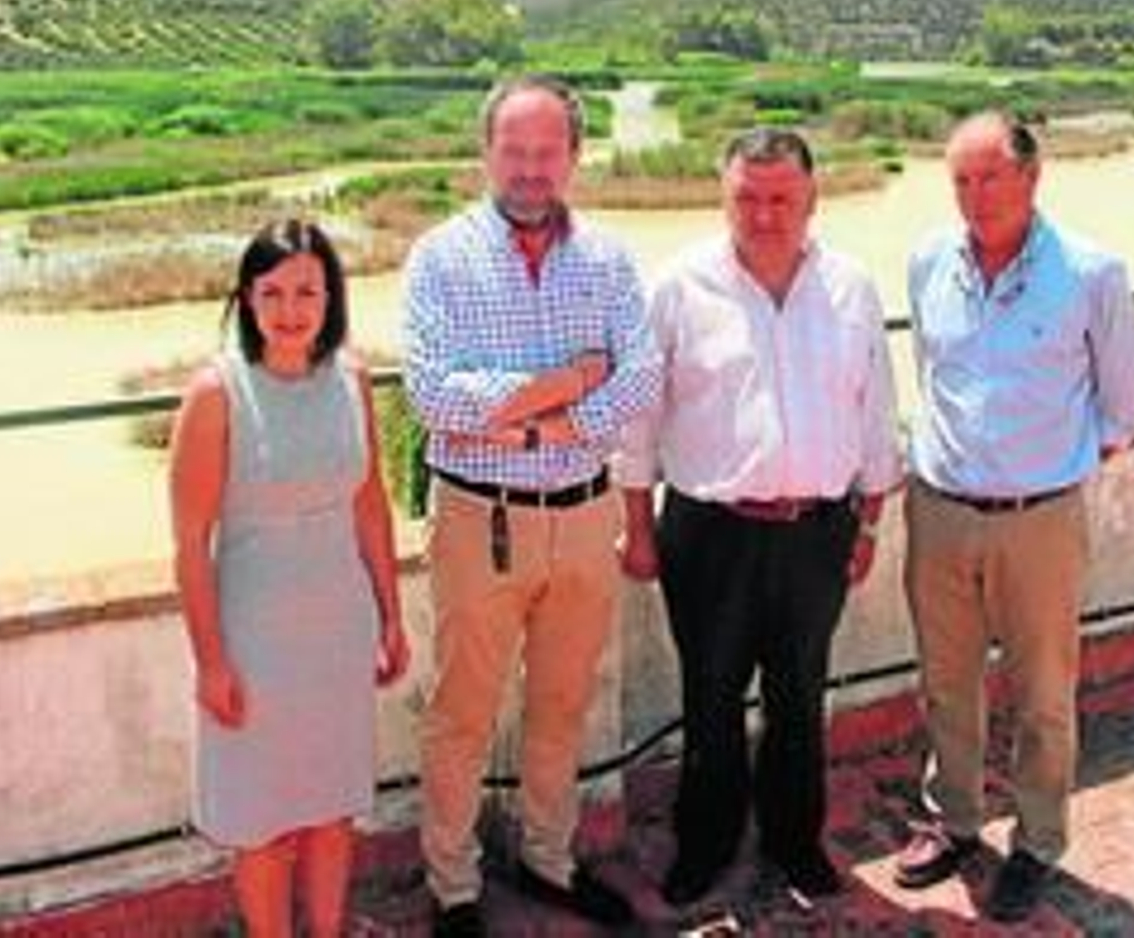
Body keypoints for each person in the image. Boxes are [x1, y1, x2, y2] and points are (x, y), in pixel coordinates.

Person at [401, 75, 661, 937]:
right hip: (482, 518)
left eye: (548, 151)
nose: (530, 168)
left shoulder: (609, 260)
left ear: (575, 157)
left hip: (586, 517)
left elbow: (642, 375)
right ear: (486, 153)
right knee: (462, 712)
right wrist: (571, 383)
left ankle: (549, 860)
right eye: (513, 150)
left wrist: (541, 422)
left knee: (562, 702)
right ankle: (453, 886)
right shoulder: (440, 258)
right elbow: (433, 396)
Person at [619, 127, 902, 910]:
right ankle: (706, 845)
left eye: (782, 198)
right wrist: (637, 526)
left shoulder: (850, 286)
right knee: (710, 696)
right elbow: (639, 420)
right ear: (724, 195)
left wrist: (870, 523)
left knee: (799, 694)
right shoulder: (677, 286)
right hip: (709, 531)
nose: (765, 214)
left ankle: (794, 840)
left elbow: (875, 412)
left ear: (813, 198)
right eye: (748, 197)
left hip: (819, 529)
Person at [893, 111, 1134, 923]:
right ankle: (956, 820)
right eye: (961, 179)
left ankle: (1037, 842)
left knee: (1043, 692)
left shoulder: (1092, 272)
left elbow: (1122, 409)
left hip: (1039, 520)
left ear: (1033, 177)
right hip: (938, 510)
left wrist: (1041, 473)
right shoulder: (928, 261)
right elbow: (931, 374)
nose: (975, 195)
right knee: (946, 682)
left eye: (991, 176)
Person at [171, 218, 410, 938]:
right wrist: (211, 662)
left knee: (332, 810)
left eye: (307, 291)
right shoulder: (217, 392)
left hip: (338, 630)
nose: (290, 310)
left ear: (331, 297)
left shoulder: (352, 378)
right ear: (246, 298)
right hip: (255, 642)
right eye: (272, 292)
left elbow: (370, 504)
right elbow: (190, 545)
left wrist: (391, 616)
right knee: (264, 823)